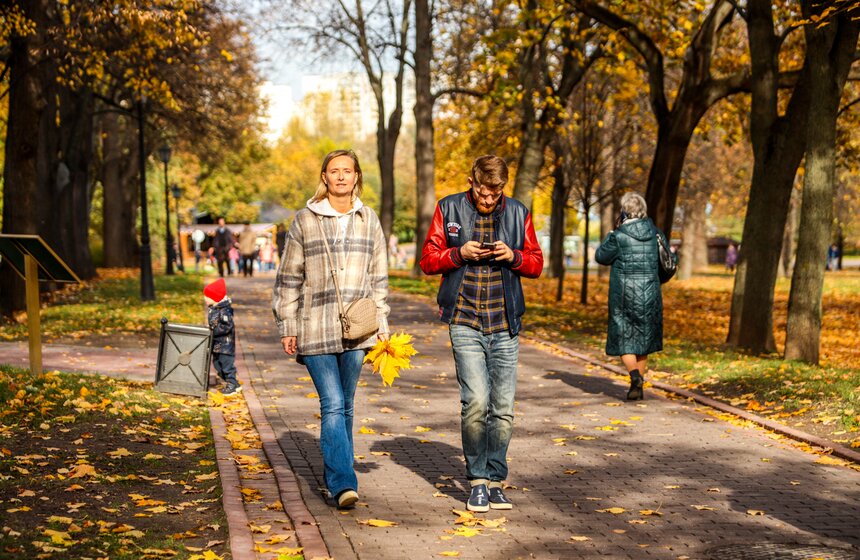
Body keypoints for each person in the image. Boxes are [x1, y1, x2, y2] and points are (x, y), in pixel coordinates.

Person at [419, 155, 543, 513]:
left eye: (496, 191)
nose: (489, 199)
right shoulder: (450, 208)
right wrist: (458, 253)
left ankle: (496, 479)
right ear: (471, 181)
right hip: (465, 318)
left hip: (505, 321)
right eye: (484, 191)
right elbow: (428, 260)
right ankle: (477, 480)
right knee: (475, 402)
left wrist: (514, 256)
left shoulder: (519, 213)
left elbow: (536, 263)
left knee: (502, 407)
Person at [272, 149, 390, 509]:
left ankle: (341, 474)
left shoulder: (368, 219)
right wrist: (288, 324)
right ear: (324, 177)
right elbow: (289, 278)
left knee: (347, 405)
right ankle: (342, 483)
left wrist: (382, 322)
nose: (341, 177)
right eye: (334, 171)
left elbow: (378, 276)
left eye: (347, 171)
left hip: (359, 328)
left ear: (357, 177)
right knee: (334, 402)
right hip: (316, 326)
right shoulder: (305, 220)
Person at [595, 192, 674, 402]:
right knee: (643, 340)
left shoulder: (619, 236)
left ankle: (635, 376)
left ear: (624, 211)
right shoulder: (656, 233)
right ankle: (636, 386)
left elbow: (601, 257)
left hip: (624, 295)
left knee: (624, 339)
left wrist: (612, 231)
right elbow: (668, 260)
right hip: (650, 294)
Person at [204, 278, 241, 396]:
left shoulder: (224, 311)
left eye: (207, 296)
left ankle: (232, 384)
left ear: (215, 298)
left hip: (225, 345)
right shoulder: (214, 309)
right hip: (217, 345)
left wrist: (213, 332)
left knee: (226, 366)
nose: (205, 299)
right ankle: (232, 383)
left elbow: (227, 327)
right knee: (217, 365)